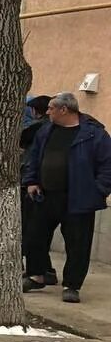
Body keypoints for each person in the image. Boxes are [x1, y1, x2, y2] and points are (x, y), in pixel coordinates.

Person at [22, 92, 111, 303]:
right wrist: (32, 181)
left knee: (78, 244)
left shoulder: (94, 135)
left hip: (79, 198)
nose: (47, 111)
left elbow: (108, 165)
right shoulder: (46, 131)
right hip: (46, 195)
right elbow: (33, 156)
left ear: (64, 110)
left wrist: (98, 190)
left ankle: (72, 285)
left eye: (51, 108)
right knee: (34, 236)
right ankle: (37, 275)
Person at [19, 95, 56, 287]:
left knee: (32, 230)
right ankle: (45, 270)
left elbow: (23, 143)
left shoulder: (37, 129)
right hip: (44, 184)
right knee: (39, 232)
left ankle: (39, 271)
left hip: (32, 186)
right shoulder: (51, 129)